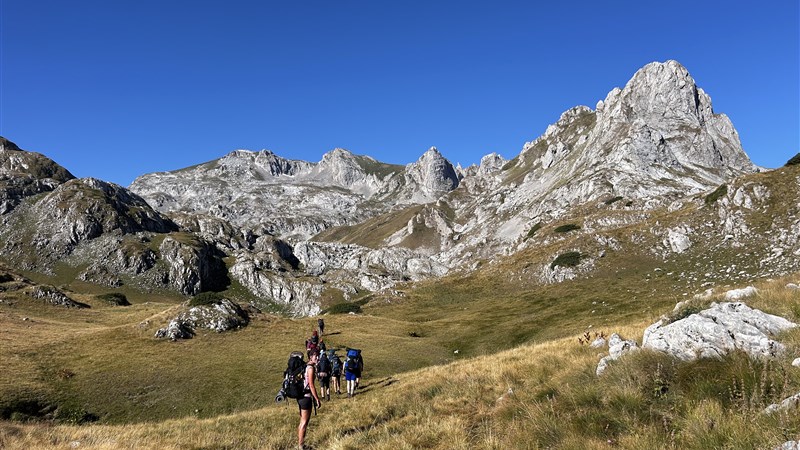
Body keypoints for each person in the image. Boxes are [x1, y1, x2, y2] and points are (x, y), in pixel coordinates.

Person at [297, 350, 321, 450]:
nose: (318, 358)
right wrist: (317, 399)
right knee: (304, 422)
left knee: (302, 421)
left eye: (318, 356)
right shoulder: (310, 368)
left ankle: (300, 444)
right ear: (310, 357)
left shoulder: (305, 366)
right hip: (306, 397)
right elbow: (311, 385)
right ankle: (301, 446)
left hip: (300, 397)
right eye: (316, 356)